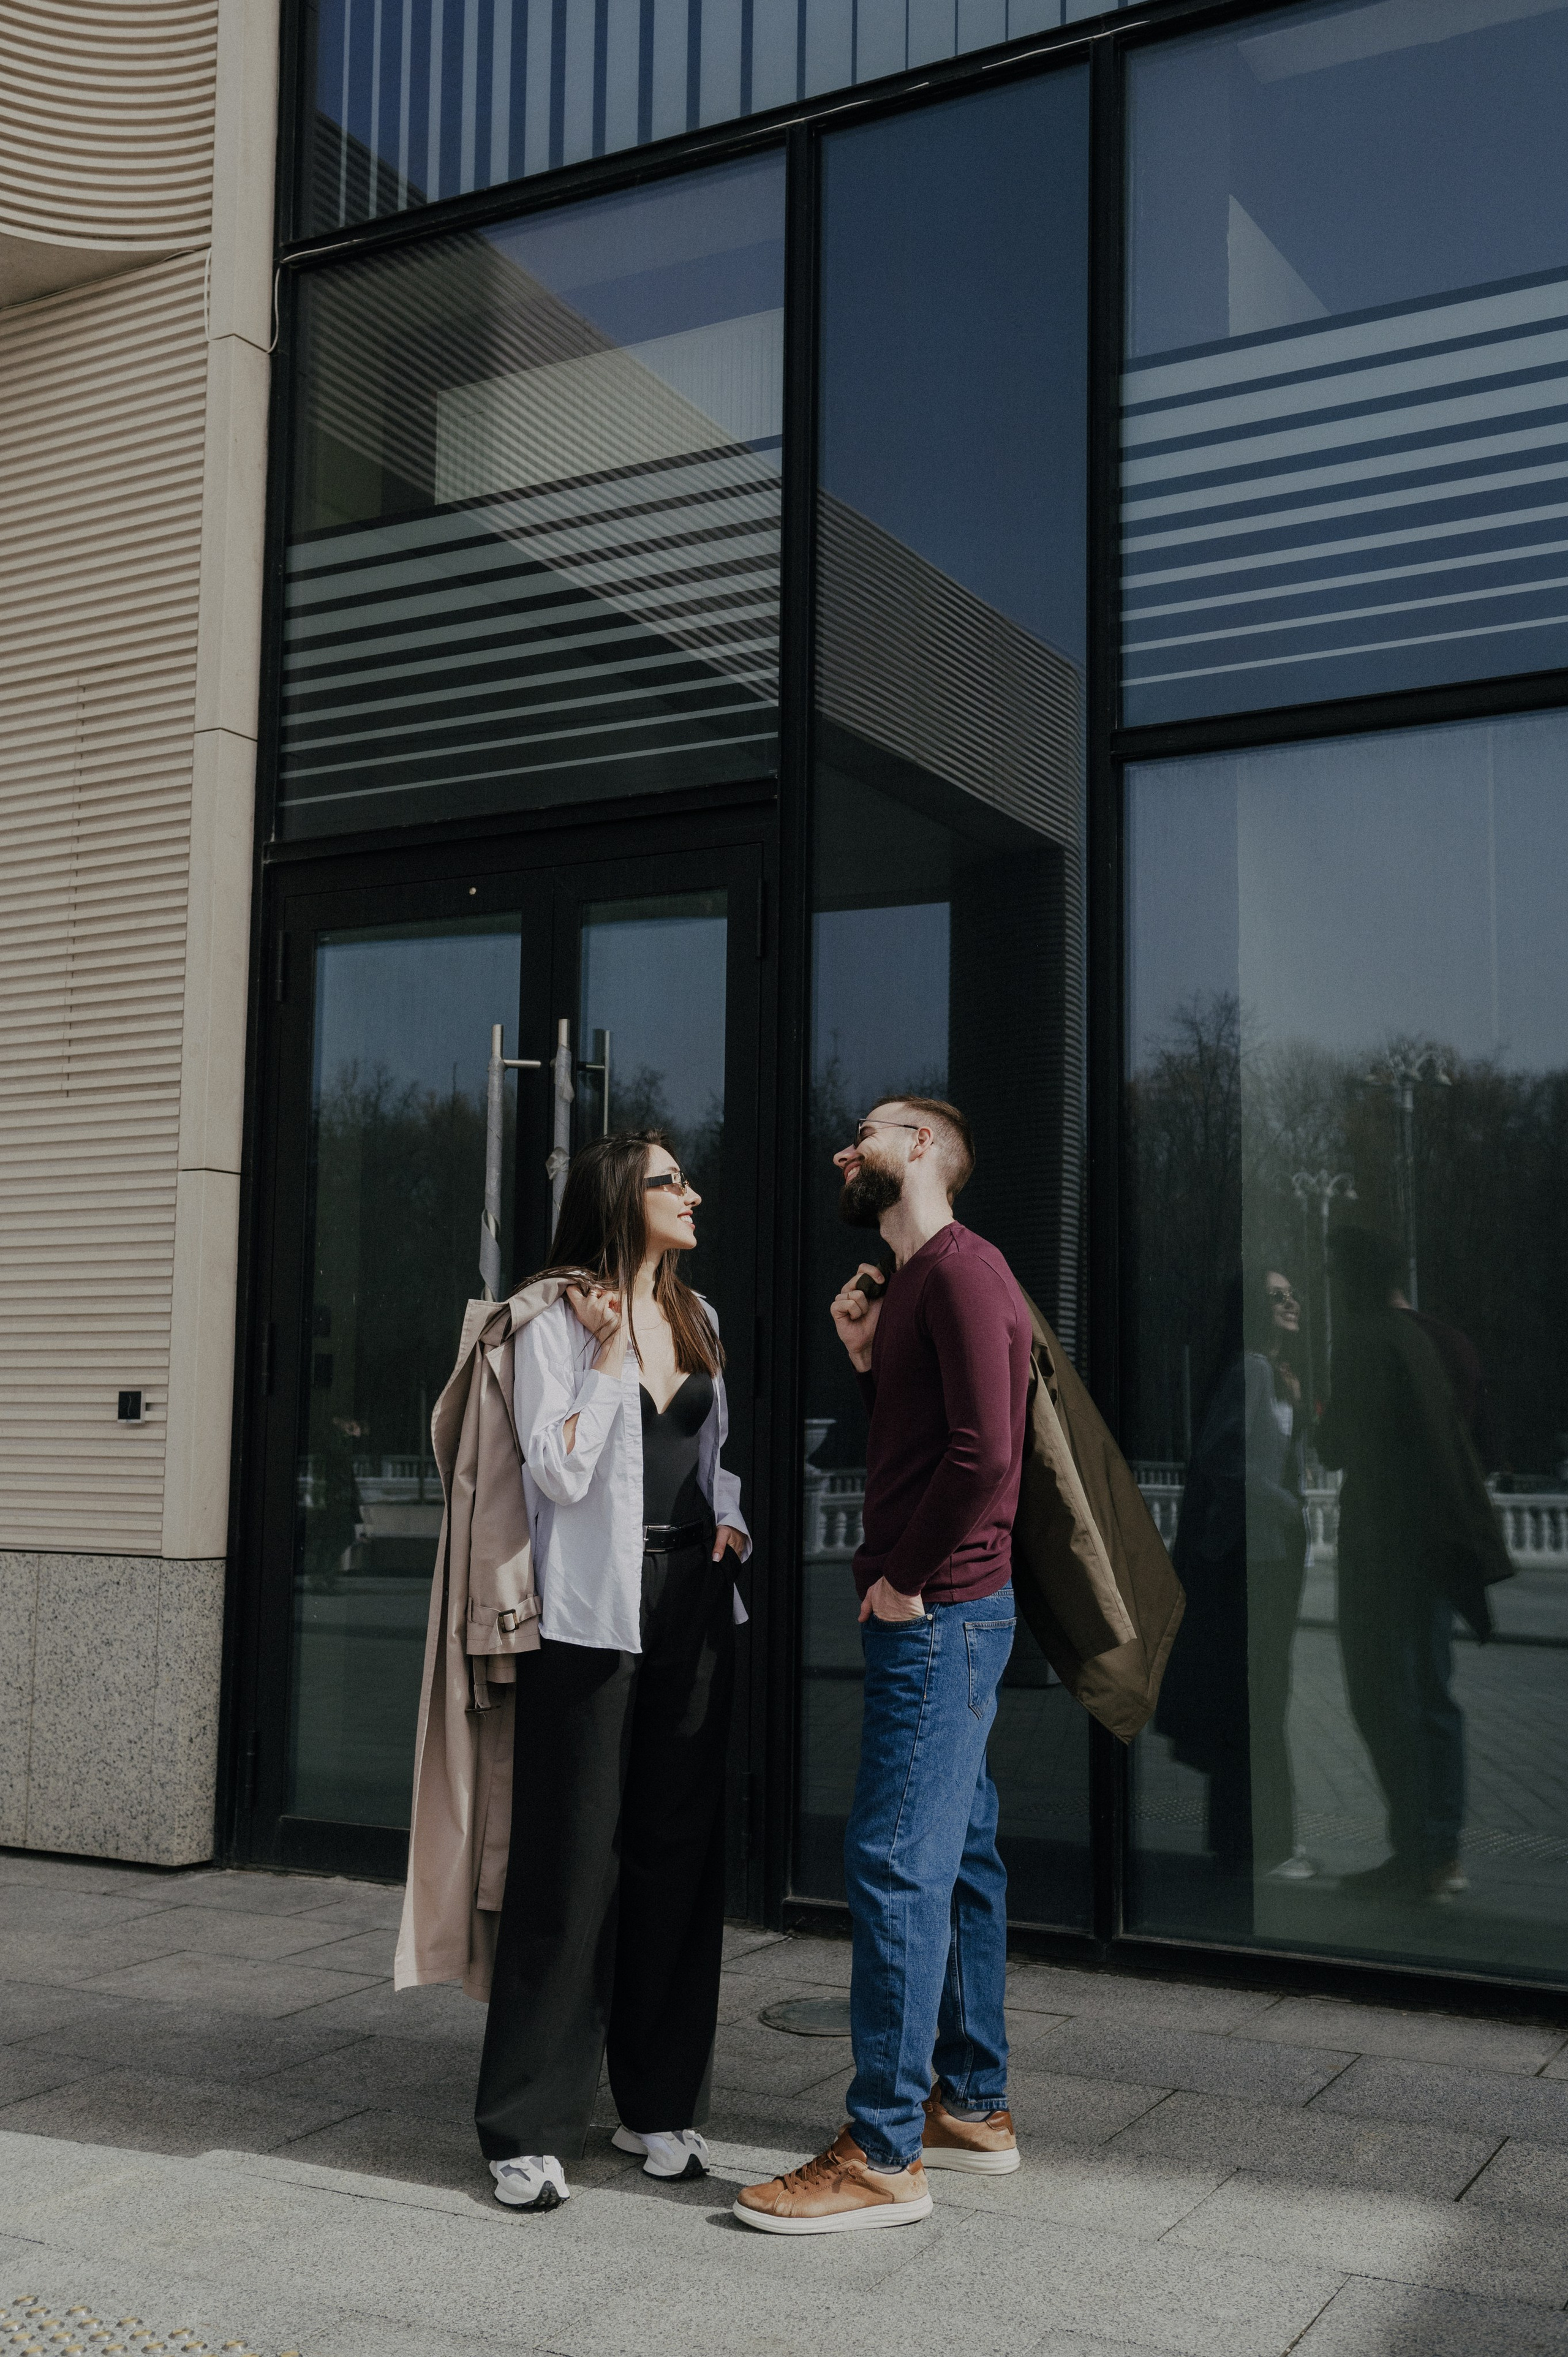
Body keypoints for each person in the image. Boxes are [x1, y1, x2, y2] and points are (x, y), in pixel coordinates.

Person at [736, 1097, 1029, 2235]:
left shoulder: (962, 1270)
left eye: (868, 1132)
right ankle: (974, 2105)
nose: (845, 1150)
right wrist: (866, 1362)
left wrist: (904, 1578)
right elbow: (922, 1442)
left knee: (896, 1861)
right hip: (945, 1608)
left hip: (940, 1612)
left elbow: (986, 1453)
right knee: (959, 1856)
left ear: (922, 1149)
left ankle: (884, 2151)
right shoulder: (914, 1285)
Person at [473, 1131, 749, 2211]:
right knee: (571, 1862)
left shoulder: (701, 1313)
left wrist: (731, 1520)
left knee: (677, 1858)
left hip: (694, 1603)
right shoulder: (550, 1319)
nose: (692, 1193)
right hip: (591, 1615)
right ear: (619, 1197)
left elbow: (713, 1455)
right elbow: (557, 1467)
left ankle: (658, 2102)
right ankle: (527, 2125)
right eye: (670, 1180)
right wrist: (601, 1358)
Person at [1317, 1228, 1510, 1904]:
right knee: (1432, 1697)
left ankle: (1416, 1854)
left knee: (1383, 1700)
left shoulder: (1366, 1340)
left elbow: (1335, 1444)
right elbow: (1478, 1446)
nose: (1330, 1285)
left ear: (1355, 1277)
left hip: (1383, 1552)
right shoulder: (1445, 1342)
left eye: (1335, 1272)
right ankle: (1440, 1854)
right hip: (1435, 1550)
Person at [1155, 1267, 1313, 1911]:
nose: (1291, 1302)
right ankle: (1262, 1848)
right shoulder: (1251, 1369)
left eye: (1291, 1294)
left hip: (1262, 1555)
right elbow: (1223, 1459)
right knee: (1259, 1701)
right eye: (1277, 1297)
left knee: (1254, 1700)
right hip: (1251, 1558)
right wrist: (1286, 1505)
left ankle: (1242, 1845)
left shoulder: (1270, 1372)